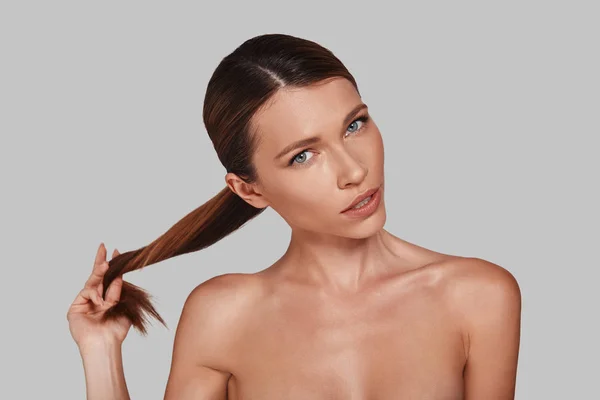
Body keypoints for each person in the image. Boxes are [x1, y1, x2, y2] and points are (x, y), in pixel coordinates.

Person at [67, 33, 521, 399]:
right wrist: (101, 353)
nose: (355, 171)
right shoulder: (223, 315)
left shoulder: (478, 297)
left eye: (354, 125)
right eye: (304, 156)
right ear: (249, 188)